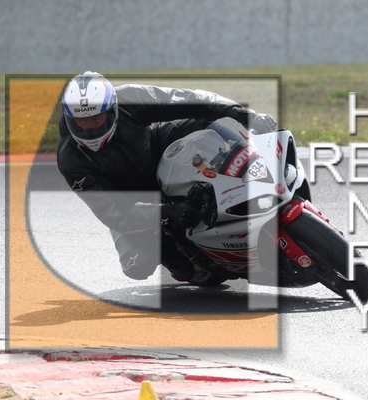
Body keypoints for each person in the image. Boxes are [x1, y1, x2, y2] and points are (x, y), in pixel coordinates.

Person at [57, 71, 276, 283]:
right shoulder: (70, 161)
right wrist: (168, 212)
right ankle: (184, 265)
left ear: (111, 110)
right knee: (138, 265)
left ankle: (260, 170)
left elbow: (193, 100)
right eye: (81, 122)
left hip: (153, 148)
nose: (89, 128)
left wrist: (246, 116)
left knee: (210, 123)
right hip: (127, 198)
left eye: (97, 119)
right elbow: (116, 213)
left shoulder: (128, 99)